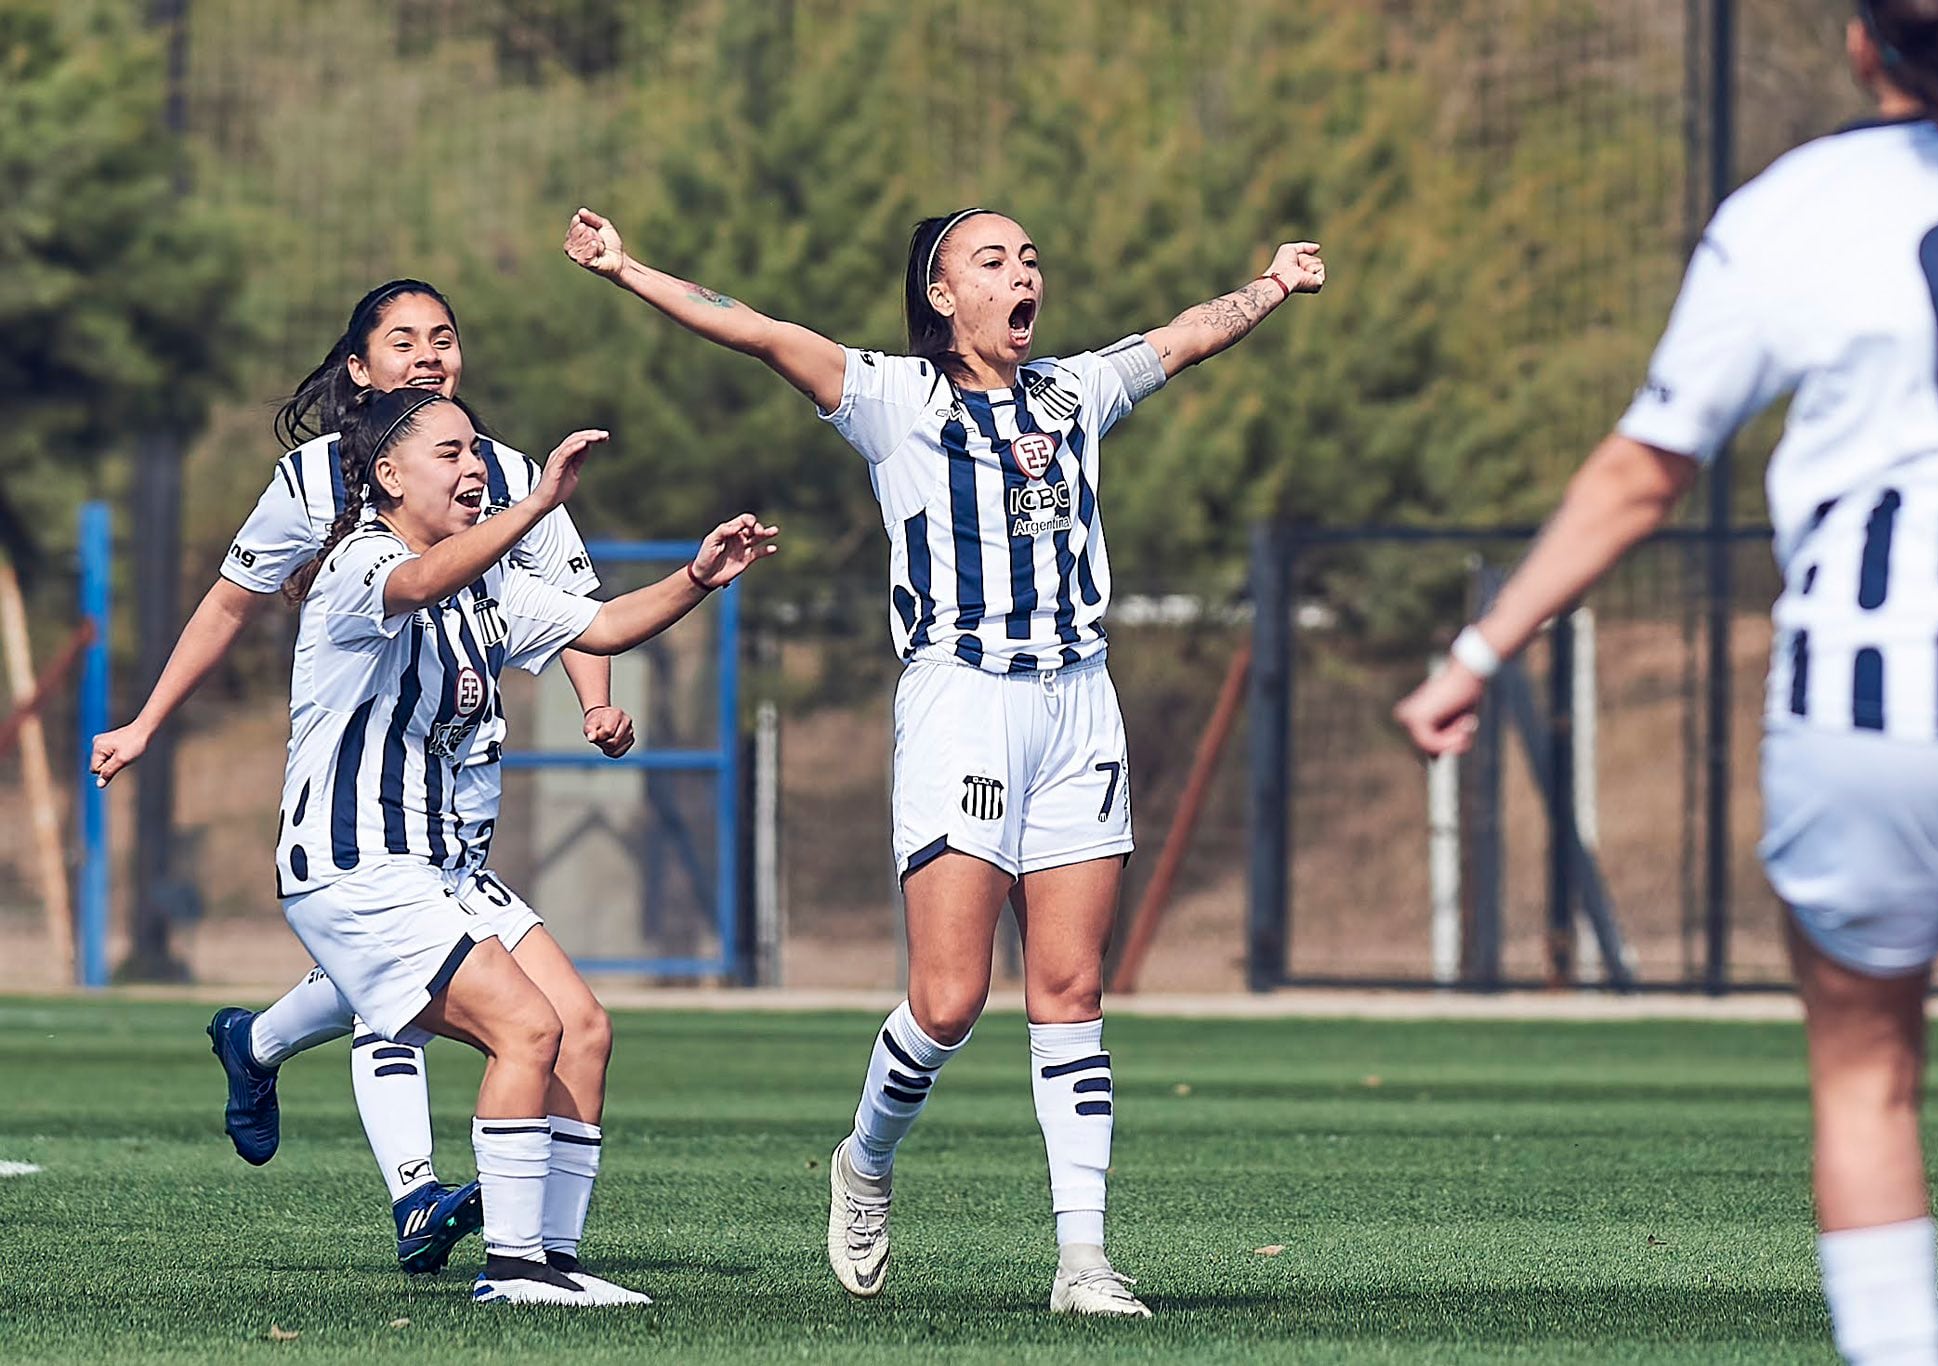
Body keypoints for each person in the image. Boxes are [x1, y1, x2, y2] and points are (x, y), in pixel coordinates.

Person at [1394, 4, 1938, 1362]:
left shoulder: (1792, 210)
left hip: (1866, 697)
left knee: (1864, 1073)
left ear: (1863, 48)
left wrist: (1477, 650)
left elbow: (1645, 470)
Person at [565, 203, 1323, 1315]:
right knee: (951, 996)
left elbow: (1184, 336)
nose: (1021, 273)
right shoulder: (891, 398)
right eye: (991, 259)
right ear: (940, 293)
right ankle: (864, 1158)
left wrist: (1266, 284)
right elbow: (759, 331)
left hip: (1077, 704)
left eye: (1028, 255)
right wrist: (627, 268)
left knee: (1069, 989)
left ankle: (1083, 1261)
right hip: (962, 705)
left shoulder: (1072, 391)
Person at [89, 279, 633, 1276]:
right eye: (402, 339)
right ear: (358, 369)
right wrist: (147, 720)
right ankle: (423, 1198)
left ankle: (255, 1046)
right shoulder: (316, 484)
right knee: (419, 985)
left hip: (456, 790)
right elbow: (228, 605)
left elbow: (571, 604)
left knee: (444, 992)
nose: (428, 354)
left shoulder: (502, 471)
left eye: (444, 338)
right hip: (363, 805)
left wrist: (593, 697)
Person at [277, 385, 773, 1305]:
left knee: (582, 1030)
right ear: (387, 475)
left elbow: (605, 625)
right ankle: (508, 1273)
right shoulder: (361, 563)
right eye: (452, 455)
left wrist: (698, 577)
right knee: (526, 1028)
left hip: (440, 866)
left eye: (477, 455)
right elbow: (421, 582)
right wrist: (537, 504)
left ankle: (554, 1262)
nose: (475, 470)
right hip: (354, 865)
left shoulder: (487, 586)